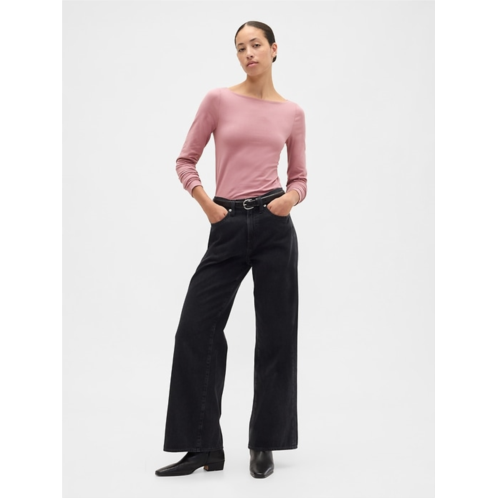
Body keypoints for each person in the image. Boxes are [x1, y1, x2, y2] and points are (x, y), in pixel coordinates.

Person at [155, 20, 307, 479]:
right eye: (240, 47)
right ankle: (203, 446)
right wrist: (208, 205)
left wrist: (288, 200)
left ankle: (265, 443)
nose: (248, 54)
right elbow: (186, 159)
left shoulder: (292, 113)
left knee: (276, 336)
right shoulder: (218, 100)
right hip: (226, 222)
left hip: (274, 224)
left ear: (274, 49)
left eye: (256, 44)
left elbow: (300, 178)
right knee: (195, 329)